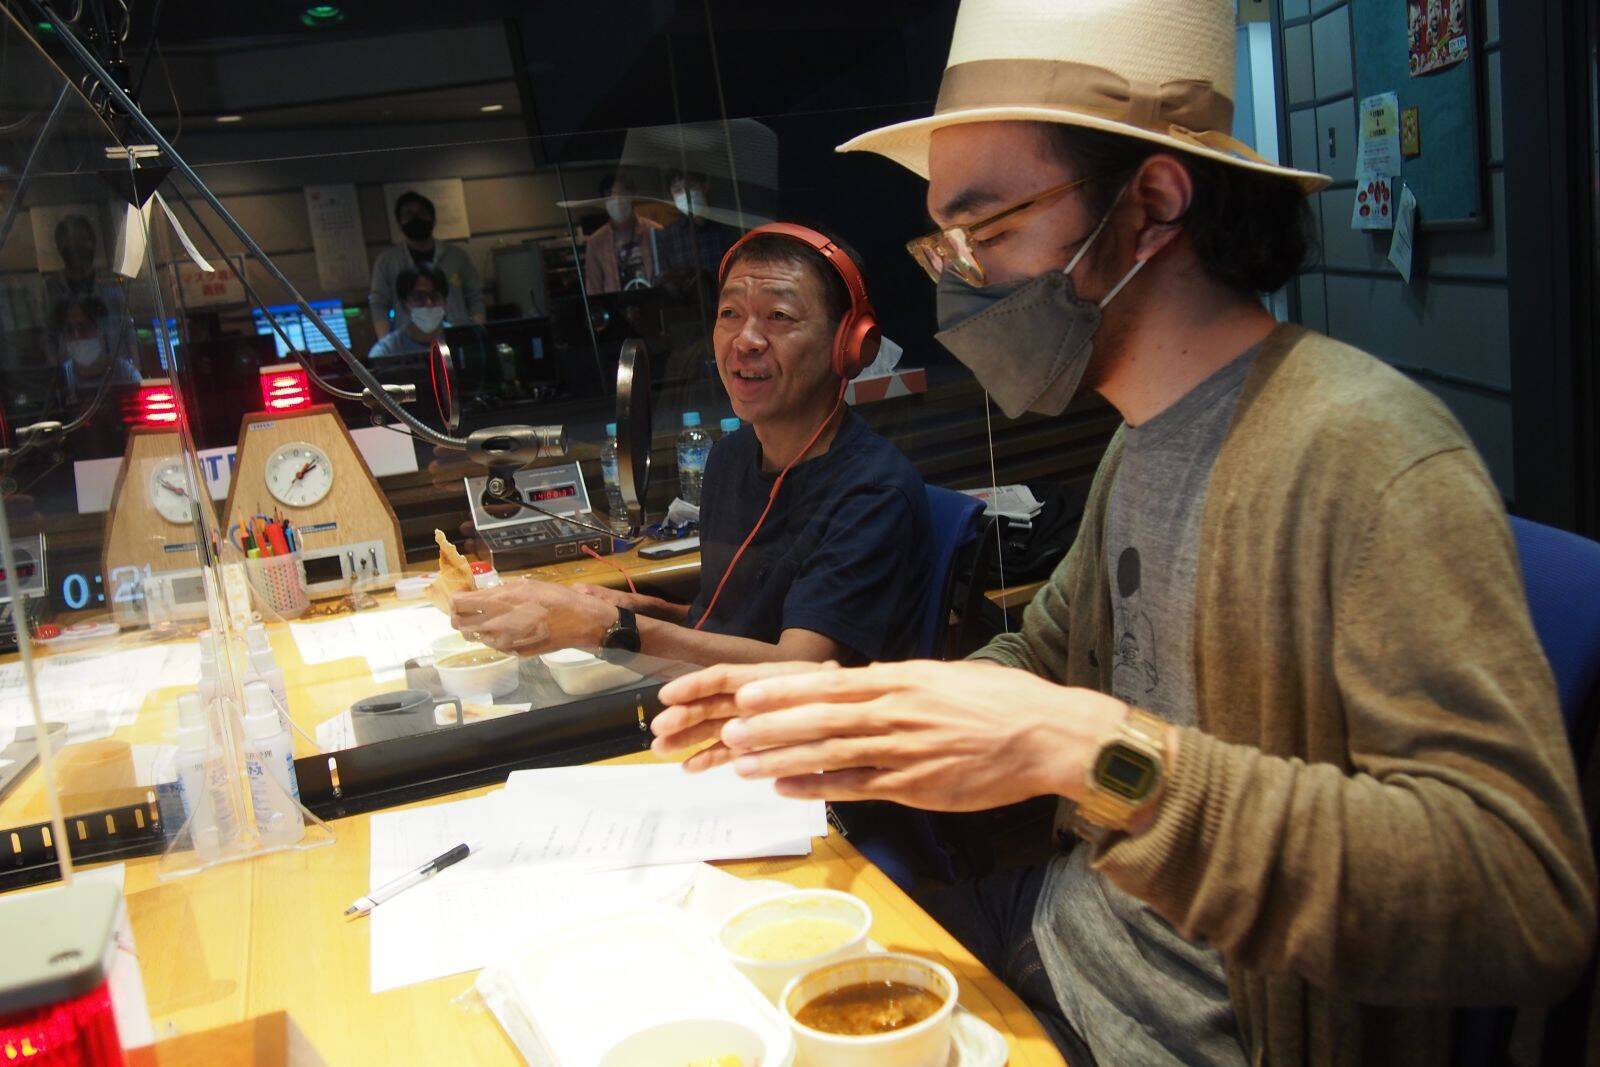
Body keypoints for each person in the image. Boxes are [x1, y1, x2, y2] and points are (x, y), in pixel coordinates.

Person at [648, 2, 1596, 1066]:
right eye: (948, 242)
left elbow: (1518, 897)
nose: (962, 279)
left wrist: (1089, 752)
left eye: (989, 231)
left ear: (1151, 203)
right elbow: (1044, 656)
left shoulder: (1365, 456)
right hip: (1055, 940)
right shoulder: (1142, 440)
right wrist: (865, 717)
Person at [450, 224, 934, 668]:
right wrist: (637, 609)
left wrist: (606, 627)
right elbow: (731, 626)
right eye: (730, 313)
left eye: (779, 315)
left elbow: (798, 669)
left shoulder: (872, 493)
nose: (745, 340)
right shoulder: (729, 459)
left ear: (849, 344)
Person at [369, 190, 484, 339]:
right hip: (409, 343)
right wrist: (386, 343)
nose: (416, 218)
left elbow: (475, 298)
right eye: (408, 214)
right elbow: (379, 304)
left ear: (433, 219)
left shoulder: (457, 256)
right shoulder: (387, 262)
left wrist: (479, 336)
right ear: (399, 223)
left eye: (421, 213)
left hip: (457, 337)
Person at [655, 170, 741, 291]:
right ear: (672, 196)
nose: (685, 194)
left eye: (690, 187)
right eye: (678, 190)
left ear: (704, 187)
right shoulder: (667, 236)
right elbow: (666, 282)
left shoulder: (727, 227)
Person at [583, 174, 663, 295]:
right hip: (617, 306)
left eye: (621, 193)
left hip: (655, 302)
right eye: (610, 195)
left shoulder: (655, 231)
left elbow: (669, 276)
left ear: (631, 195)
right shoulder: (595, 242)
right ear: (604, 202)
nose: (616, 200)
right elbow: (593, 289)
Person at [368, 266, 449, 360]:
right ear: (404, 304)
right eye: (419, 297)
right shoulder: (385, 352)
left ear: (445, 302)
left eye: (435, 296)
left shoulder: (462, 338)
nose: (429, 303)